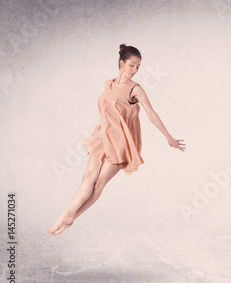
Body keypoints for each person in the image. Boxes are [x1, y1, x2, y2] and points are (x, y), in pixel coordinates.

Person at [48, 44, 185, 236]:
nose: (135, 70)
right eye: (132, 65)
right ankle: (68, 215)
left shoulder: (136, 90)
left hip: (122, 142)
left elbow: (152, 115)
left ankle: (71, 215)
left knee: (99, 182)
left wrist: (169, 138)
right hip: (104, 136)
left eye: (138, 67)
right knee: (88, 177)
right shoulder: (107, 84)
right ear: (121, 63)